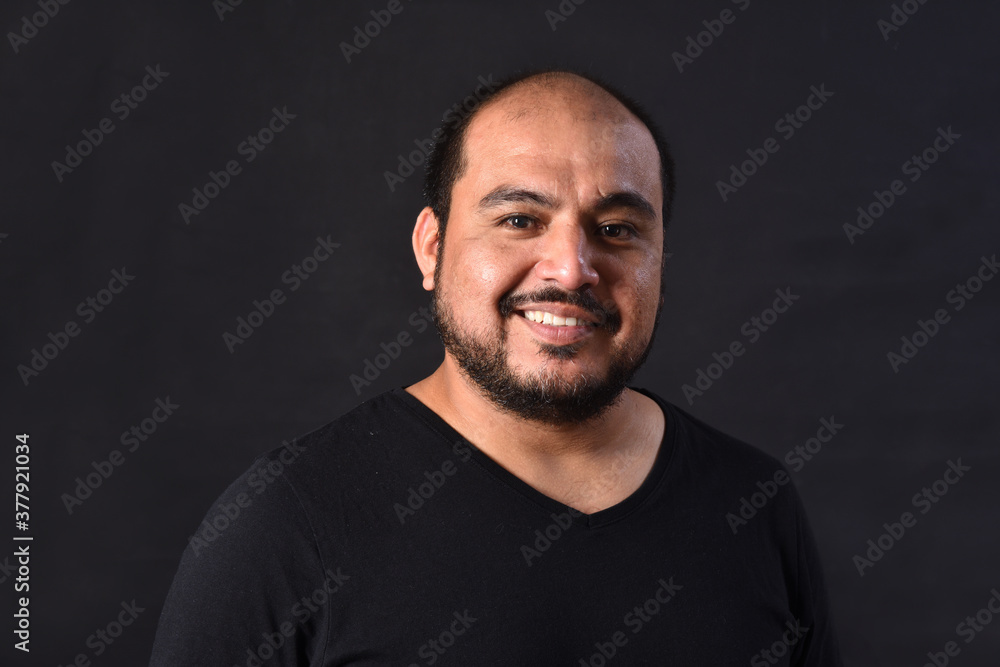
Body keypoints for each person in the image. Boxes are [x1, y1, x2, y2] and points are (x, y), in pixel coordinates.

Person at [150, 69, 843, 666]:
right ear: (432, 247)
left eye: (618, 229)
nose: (572, 267)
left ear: (662, 263)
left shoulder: (754, 505)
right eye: (519, 219)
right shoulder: (286, 526)